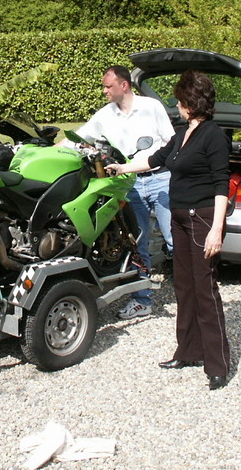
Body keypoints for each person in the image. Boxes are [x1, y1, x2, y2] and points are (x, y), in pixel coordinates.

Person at [106, 69, 232, 390]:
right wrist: (122, 167)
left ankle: (217, 365)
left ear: (191, 102)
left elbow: (221, 184)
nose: (176, 105)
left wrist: (217, 229)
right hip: (179, 219)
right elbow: (155, 159)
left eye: (179, 100)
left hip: (203, 220)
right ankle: (188, 352)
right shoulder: (182, 134)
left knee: (205, 290)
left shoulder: (214, 136)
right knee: (184, 288)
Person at [64, 64, 175, 320]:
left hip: (161, 179)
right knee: (137, 243)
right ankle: (142, 300)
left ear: (124, 85)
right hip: (129, 184)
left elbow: (171, 143)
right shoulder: (105, 114)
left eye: (108, 86)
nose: (104, 91)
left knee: (175, 240)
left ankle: (193, 293)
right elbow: (77, 138)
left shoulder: (152, 107)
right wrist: (48, 149)